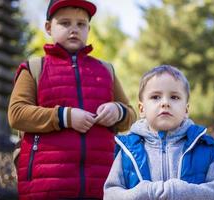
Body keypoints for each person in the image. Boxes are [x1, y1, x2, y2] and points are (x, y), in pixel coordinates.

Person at [8, 0, 136, 199]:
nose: (74, 29)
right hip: (45, 186)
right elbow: (16, 114)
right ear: (49, 28)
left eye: (81, 24)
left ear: (88, 29)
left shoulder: (106, 70)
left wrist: (118, 111)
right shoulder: (34, 68)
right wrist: (64, 116)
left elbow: (131, 115)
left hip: (102, 185)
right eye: (65, 23)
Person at [104, 65, 214, 200]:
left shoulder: (201, 146)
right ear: (141, 109)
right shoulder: (127, 150)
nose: (165, 103)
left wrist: (179, 191)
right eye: (156, 97)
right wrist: (144, 192)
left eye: (174, 97)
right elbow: (110, 194)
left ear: (186, 110)